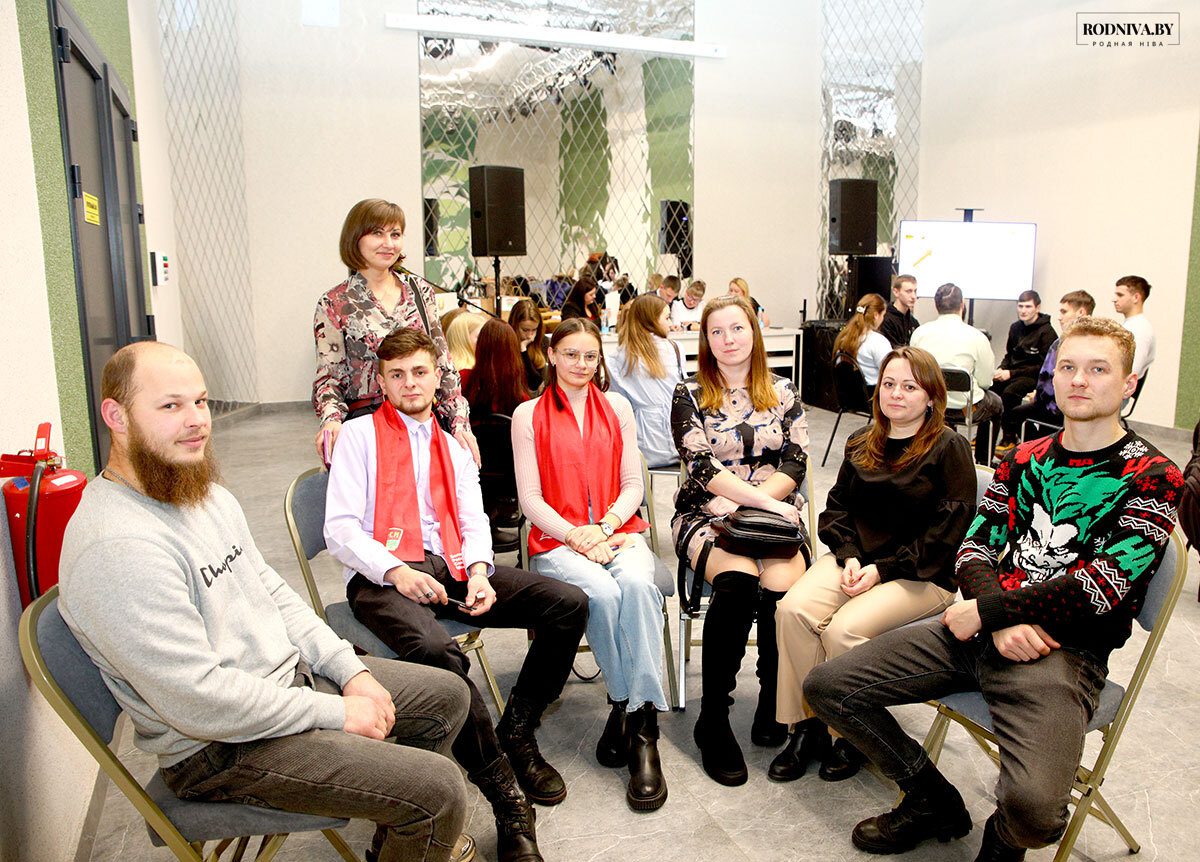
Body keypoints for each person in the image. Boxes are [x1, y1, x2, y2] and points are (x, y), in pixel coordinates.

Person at [59, 342, 475, 862]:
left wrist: (350, 671)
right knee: (440, 792)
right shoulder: (116, 546)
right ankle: (417, 822)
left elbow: (275, 593)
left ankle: (401, 840)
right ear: (116, 416)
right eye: (170, 406)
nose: (196, 421)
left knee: (447, 696)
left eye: (201, 401)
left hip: (281, 684)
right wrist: (335, 711)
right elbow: (201, 701)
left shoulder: (201, 494)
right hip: (219, 748)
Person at [804, 316, 1182, 861]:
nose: (1078, 380)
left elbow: (1101, 587)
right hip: (978, 630)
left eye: (1098, 370)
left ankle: (1002, 840)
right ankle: (931, 800)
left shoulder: (1152, 474)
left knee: (1034, 812)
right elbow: (974, 547)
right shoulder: (1024, 458)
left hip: (1062, 653)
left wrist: (989, 611)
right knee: (828, 687)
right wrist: (994, 616)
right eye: (1068, 367)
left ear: (1129, 383)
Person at [325, 328, 589, 862]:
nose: (409, 383)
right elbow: (341, 529)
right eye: (397, 375)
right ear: (382, 382)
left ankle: (518, 728)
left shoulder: (452, 447)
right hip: (380, 577)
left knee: (568, 603)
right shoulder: (358, 436)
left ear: (437, 378)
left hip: (451, 567)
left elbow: (472, 520)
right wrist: (396, 571)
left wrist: (482, 573)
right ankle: (506, 795)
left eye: (419, 372)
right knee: (436, 652)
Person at [770, 347, 974, 783]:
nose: (896, 394)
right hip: (857, 560)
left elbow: (947, 533)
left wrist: (882, 569)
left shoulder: (949, 448)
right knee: (792, 610)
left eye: (909, 386)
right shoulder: (862, 441)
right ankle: (806, 726)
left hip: (922, 572)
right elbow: (837, 508)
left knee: (843, 630)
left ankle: (851, 733)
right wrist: (849, 555)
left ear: (932, 396)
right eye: (888, 384)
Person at [512, 317, 670, 813]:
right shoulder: (527, 415)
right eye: (571, 354)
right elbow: (529, 499)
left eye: (590, 355)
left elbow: (633, 484)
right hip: (556, 541)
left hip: (617, 531)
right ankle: (634, 710)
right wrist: (576, 536)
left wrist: (603, 527)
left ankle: (637, 722)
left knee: (639, 587)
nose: (581, 364)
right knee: (600, 593)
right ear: (551, 355)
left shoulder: (617, 406)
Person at [671, 294, 810, 787]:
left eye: (737, 328)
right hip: (706, 513)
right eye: (716, 331)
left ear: (754, 332)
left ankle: (774, 700)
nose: (728, 339)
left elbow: (795, 462)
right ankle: (713, 718)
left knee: (782, 589)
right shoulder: (689, 393)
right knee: (737, 582)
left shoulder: (785, 391)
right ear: (705, 340)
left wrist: (755, 505)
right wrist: (750, 503)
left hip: (771, 514)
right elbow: (701, 466)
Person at [313, 198, 477, 464]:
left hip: (421, 421)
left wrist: (459, 422)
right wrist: (332, 420)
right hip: (368, 428)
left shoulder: (420, 292)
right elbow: (329, 379)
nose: (388, 243)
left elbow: (443, 365)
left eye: (395, 234)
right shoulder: (335, 303)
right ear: (355, 238)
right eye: (377, 233)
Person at [910, 283, 1002, 463]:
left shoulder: (919, 334)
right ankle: (983, 462)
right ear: (962, 305)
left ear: (936, 305)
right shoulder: (977, 337)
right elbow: (985, 381)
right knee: (996, 404)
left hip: (930, 406)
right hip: (964, 409)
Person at [464, 319, 534, 541]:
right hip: (510, 482)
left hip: (471, 476)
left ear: (480, 347)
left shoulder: (463, 383)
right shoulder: (520, 397)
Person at [1001, 290, 1094, 444]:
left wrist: (1039, 397)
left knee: (1014, 412)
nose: (1060, 317)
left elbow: (1052, 376)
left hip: (1056, 406)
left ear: (1081, 313)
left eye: (1064, 312)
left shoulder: (1066, 343)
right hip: (1053, 401)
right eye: (1020, 306)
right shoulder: (1067, 342)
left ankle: (1039, 446)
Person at [609, 294, 685, 468]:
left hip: (642, 442)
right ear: (652, 319)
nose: (670, 323)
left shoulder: (618, 356)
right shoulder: (675, 348)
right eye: (667, 317)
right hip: (678, 435)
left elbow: (618, 402)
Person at [989, 290, 1056, 452]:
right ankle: (988, 435)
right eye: (1020, 306)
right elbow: (1009, 355)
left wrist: (1011, 374)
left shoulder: (1047, 332)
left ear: (1037, 308)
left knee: (1009, 393)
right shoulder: (1015, 328)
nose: (1023, 310)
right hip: (1012, 373)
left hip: (1032, 376)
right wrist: (1001, 368)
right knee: (992, 389)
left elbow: (1042, 366)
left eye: (1028, 306)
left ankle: (1009, 436)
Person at [831, 293, 891, 387]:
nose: (883, 319)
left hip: (847, 394)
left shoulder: (842, 338)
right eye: (883, 315)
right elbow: (892, 372)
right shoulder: (878, 342)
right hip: (874, 394)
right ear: (876, 315)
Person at [1114, 274, 1156, 379]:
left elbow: (1132, 370)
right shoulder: (1130, 325)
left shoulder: (1140, 329)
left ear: (1136, 297)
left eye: (1120, 295)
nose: (1114, 299)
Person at [508, 299, 547, 395]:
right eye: (525, 330)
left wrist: (523, 350)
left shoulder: (543, 342)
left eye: (534, 329)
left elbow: (535, 384)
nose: (530, 335)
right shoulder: (506, 343)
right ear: (514, 325)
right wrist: (522, 350)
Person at [446, 312, 485, 388]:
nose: (486, 341)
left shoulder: (446, 368)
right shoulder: (469, 375)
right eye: (480, 336)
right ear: (464, 338)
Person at [878, 274, 919, 347]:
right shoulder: (885, 319)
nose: (913, 296)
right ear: (896, 292)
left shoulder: (913, 322)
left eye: (915, 291)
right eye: (908, 291)